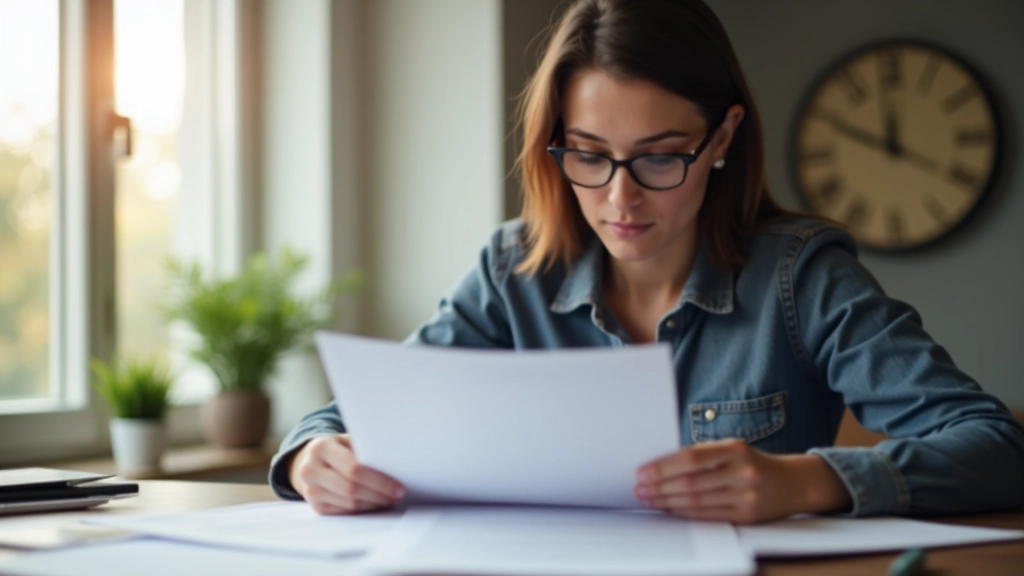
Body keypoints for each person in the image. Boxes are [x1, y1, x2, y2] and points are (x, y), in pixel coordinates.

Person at [269, 0, 1024, 524]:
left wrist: (802, 481)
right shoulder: (512, 272)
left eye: (661, 158)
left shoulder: (802, 277)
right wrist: (312, 459)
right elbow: (360, 419)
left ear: (723, 140)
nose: (620, 198)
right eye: (588, 156)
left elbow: (995, 447)